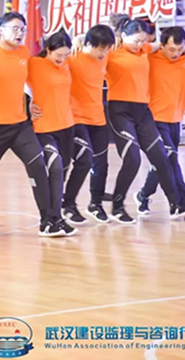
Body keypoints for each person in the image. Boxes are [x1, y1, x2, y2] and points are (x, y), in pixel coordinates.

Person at [0, 12, 72, 237]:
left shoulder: (24, 53)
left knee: (39, 166)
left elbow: (24, 83)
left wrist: (29, 103)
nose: (20, 33)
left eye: (23, 29)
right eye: (15, 28)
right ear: (1, 30)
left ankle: (48, 221)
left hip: (20, 125)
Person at [106, 19, 185, 222]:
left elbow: (168, 46)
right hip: (120, 111)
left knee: (163, 157)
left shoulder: (145, 49)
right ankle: (117, 207)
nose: (139, 45)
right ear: (123, 36)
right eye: (136, 40)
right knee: (133, 159)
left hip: (143, 111)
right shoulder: (111, 51)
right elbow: (88, 45)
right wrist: (81, 38)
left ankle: (176, 205)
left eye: (143, 40)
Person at [134, 26, 185, 217]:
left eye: (180, 49)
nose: (176, 54)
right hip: (152, 119)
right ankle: (180, 201)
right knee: (169, 157)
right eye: (171, 49)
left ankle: (143, 195)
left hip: (175, 119)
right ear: (162, 45)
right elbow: (131, 47)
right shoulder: (150, 58)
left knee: (163, 162)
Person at [61, 24, 115, 224]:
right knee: (83, 160)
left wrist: (80, 36)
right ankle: (68, 204)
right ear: (89, 44)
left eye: (107, 48)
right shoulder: (72, 57)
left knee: (101, 164)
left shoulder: (105, 56)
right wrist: (76, 39)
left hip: (98, 118)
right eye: (100, 49)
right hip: (76, 119)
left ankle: (95, 204)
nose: (104, 53)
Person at [26, 31, 78, 237]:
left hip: (66, 125)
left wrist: (80, 40)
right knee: (54, 168)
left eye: (66, 55)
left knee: (61, 172)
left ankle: (56, 218)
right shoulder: (34, 64)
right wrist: (27, 103)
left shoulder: (67, 64)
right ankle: (47, 219)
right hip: (43, 127)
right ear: (48, 50)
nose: (62, 59)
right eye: (58, 55)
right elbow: (13, 80)